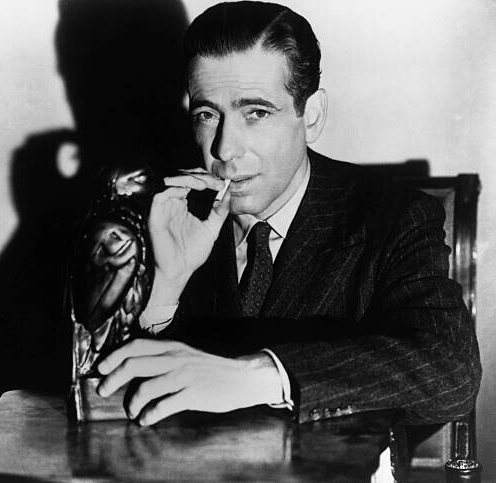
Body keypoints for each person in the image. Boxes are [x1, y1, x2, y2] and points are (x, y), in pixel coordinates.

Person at [95, 1, 481, 427]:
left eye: (256, 113)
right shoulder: (159, 214)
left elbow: (451, 374)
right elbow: (92, 389)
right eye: (207, 115)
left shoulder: (392, 217)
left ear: (311, 116)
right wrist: (166, 287)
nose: (225, 149)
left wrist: (263, 376)